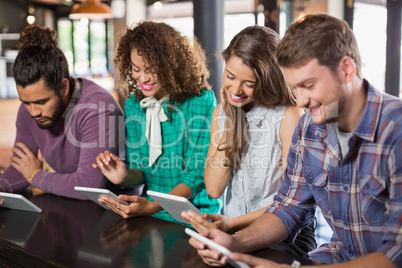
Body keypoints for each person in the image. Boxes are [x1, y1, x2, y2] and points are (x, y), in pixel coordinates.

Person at [188, 14, 401, 268]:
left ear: (346, 70)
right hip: (337, 257)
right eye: (295, 88)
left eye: (308, 85)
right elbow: (288, 207)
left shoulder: (395, 130)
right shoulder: (309, 128)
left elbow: (396, 253)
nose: (300, 101)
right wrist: (234, 243)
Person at [181, 25, 315, 257]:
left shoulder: (289, 114)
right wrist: (229, 122)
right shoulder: (220, 113)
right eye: (230, 76)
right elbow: (214, 189)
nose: (236, 89)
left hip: (284, 234)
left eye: (249, 84)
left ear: (268, 80)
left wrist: (233, 226)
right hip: (232, 231)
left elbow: (292, 202)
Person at [92, 21, 221, 222]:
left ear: (171, 65)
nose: (143, 78)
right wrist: (123, 176)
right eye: (136, 69)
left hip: (196, 216)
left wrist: (153, 206)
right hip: (151, 213)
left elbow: (197, 175)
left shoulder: (200, 100)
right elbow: (141, 171)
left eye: (151, 69)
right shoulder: (135, 105)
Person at [0, 25, 124, 200]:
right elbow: (22, 167)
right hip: (67, 198)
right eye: (26, 102)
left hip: (117, 204)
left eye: (42, 102)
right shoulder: (28, 110)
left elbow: (89, 185)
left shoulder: (98, 109)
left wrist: (36, 176)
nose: (33, 112)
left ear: (64, 87)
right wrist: (2, 186)